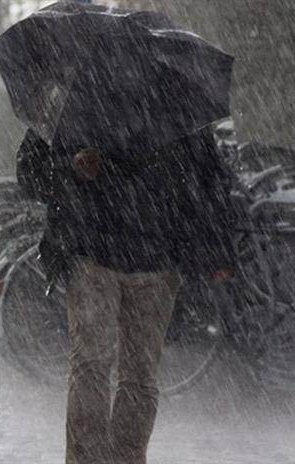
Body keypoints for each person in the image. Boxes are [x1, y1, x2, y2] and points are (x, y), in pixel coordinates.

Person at [16, 127, 238, 464]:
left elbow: (209, 178)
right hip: (93, 255)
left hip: (156, 259)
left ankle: (124, 459)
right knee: (97, 367)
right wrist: (69, 168)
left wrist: (217, 249)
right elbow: (30, 173)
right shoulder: (73, 99)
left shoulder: (169, 100)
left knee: (135, 375)